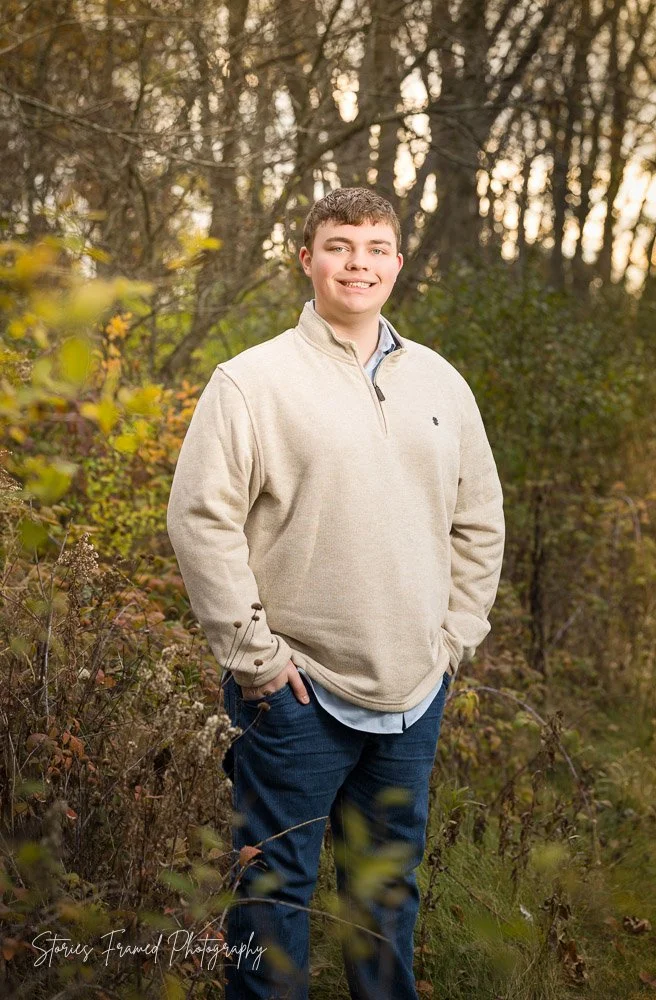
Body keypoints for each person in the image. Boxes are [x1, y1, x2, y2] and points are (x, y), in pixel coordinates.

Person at [166, 187, 505, 999]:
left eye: (376, 248)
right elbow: (202, 521)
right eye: (340, 246)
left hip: (414, 692)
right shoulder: (253, 382)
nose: (359, 263)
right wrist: (255, 661)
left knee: (385, 894)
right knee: (273, 893)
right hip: (296, 694)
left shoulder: (441, 383)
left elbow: (480, 520)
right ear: (307, 259)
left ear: (398, 262)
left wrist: (453, 641)